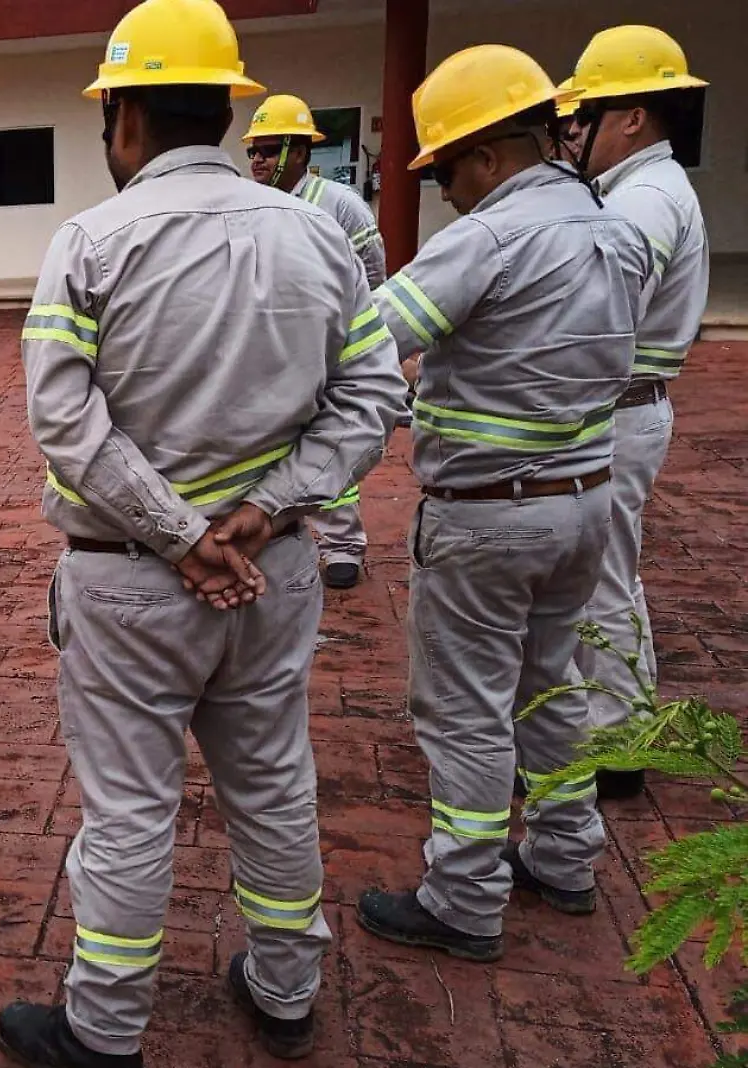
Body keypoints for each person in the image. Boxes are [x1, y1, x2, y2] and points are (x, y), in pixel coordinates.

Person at [0, 1, 407, 1064]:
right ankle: (284, 989)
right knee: (270, 778)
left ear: (123, 116)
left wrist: (177, 533)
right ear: (223, 109)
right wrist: (267, 508)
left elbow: (61, 418)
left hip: (131, 581)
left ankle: (105, 1028)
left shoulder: (89, 240)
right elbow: (368, 399)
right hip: (270, 572)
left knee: (129, 809)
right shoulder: (317, 232)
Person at [354, 45, 650, 963]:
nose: (443, 189)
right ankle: (564, 857)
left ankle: (464, 896)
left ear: (486, 153)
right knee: (554, 689)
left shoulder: (488, 238)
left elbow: (371, 337)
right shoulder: (613, 228)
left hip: (488, 516)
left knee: (465, 709)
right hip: (584, 503)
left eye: (443, 167)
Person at [563, 25, 710, 802]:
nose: (574, 132)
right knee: (609, 578)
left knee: (600, 583)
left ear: (633, 118)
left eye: (587, 116)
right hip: (627, 409)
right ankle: (619, 731)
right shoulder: (641, 191)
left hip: (616, 411)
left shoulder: (645, 200)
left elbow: (601, 309)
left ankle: (614, 748)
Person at [243, 93, 388, 590]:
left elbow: (373, 272)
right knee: (283, 439)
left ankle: (342, 544)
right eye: (253, 152)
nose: (258, 161)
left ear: (301, 152)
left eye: (269, 150)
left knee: (332, 434)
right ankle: (277, 524)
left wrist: (359, 331)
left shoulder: (338, 205)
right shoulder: (255, 205)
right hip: (274, 344)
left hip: (328, 340)